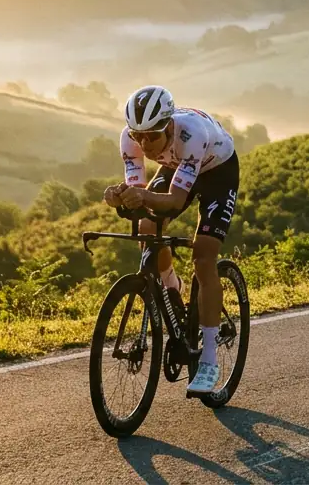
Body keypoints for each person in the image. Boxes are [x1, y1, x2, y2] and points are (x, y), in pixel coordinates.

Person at [102, 85, 240, 395]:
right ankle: (172, 287)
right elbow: (139, 195)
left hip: (218, 172)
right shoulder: (130, 139)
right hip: (177, 167)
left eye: (152, 136)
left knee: (203, 257)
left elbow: (175, 200)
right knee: (147, 227)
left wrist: (141, 196)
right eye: (138, 136)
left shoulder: (191, 133)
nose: (144, 144)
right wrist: (120, 196)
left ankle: (208, 360)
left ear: (168, 126)